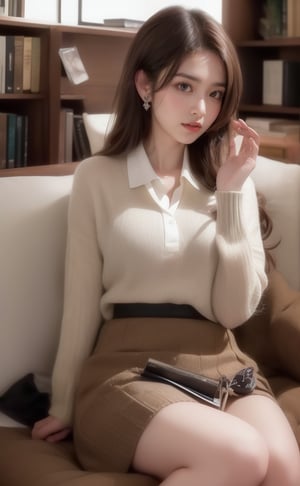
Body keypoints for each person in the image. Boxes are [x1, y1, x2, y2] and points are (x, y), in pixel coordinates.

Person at [32, 6, 300, 485]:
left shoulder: (227, 183)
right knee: (240, 454)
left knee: (284, 467)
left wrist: (234, 191)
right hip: (127, 371)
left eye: (215, 93)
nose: (202, 109)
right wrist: (64, 405)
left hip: (224, 367)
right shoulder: (97, 178)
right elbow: (80, 306)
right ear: (145, 86)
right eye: (184, 86)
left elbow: (234, 311)